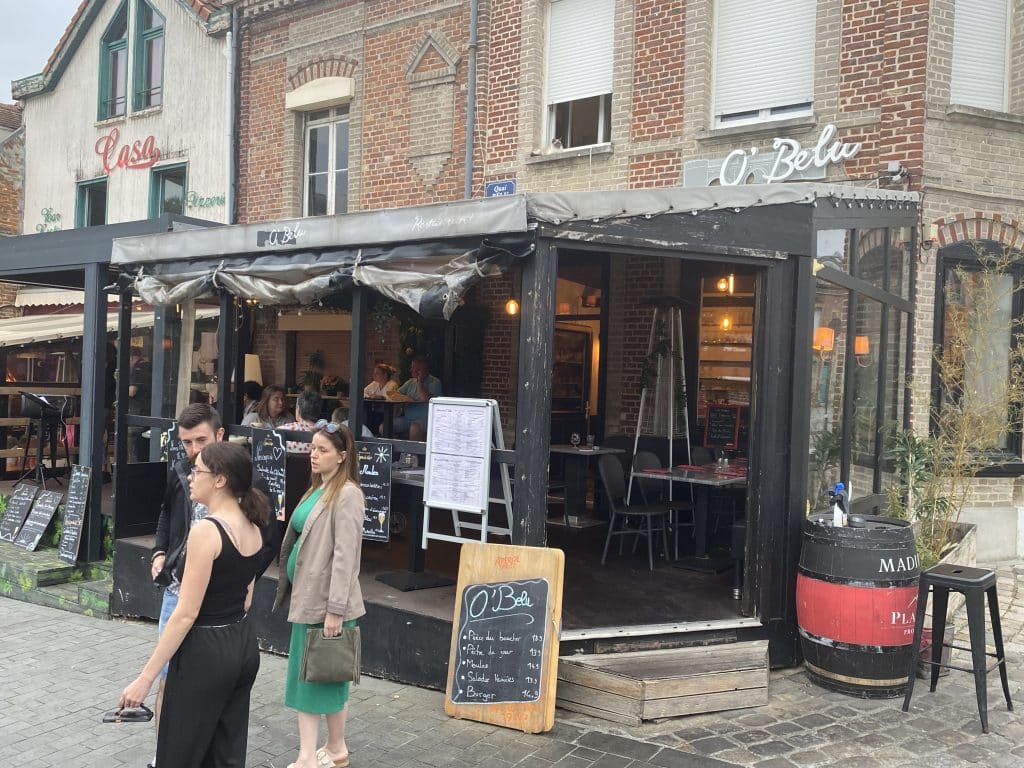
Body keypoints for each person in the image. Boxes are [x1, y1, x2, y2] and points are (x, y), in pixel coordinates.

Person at [121, 442, 275, 768]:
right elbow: (246, 594)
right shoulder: (253, 524)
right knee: (225, 752)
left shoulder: (207, 531)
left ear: (220, 480)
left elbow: (186, 613)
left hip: (205, 652)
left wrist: (145, 678)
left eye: (197, 471)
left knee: (181, 752)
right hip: (242, 644)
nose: (190, 477)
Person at [275, 420, 364, 768]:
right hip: (308, 598)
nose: (313, 454)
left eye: (322, 450)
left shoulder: (347, 494)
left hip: (325, 604)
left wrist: (336, 609)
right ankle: (336, 747)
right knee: (323, 675)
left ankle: (306, 757)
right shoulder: (318, 487)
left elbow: (346, 555)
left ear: (341, 456)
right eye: (312, 448)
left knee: (314, 679)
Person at [148, 403, 223, 768]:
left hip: (219, 597)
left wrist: (250, 582)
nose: (194, 449)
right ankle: (163, 756)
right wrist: (159, 551)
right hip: (177, 589)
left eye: (201, 440)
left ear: (220, 435)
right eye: (187, 442)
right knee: (167, 677)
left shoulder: (241, 477)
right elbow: (165, 511)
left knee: (210, 683)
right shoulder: (179, 469)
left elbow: (263, 532)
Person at [390, 355, 442, 441]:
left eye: (413, 367)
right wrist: (404, 398)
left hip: (425, 420)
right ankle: (398, 449)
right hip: (407, 419)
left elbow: (425, 399)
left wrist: (420, 382)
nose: (410, 370)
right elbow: (394, 394)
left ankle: (413, 451)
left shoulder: (435, 382)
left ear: (421, 369)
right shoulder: (410, 382)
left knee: (414, 428)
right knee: (384, 427)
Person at [128, 347, 152, 461]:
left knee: (133, 448)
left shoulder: (137, 370)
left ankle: (132, 469)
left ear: (132, 358)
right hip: (149, 413)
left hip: (137, 414)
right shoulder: (151, 367)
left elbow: (132, 391)